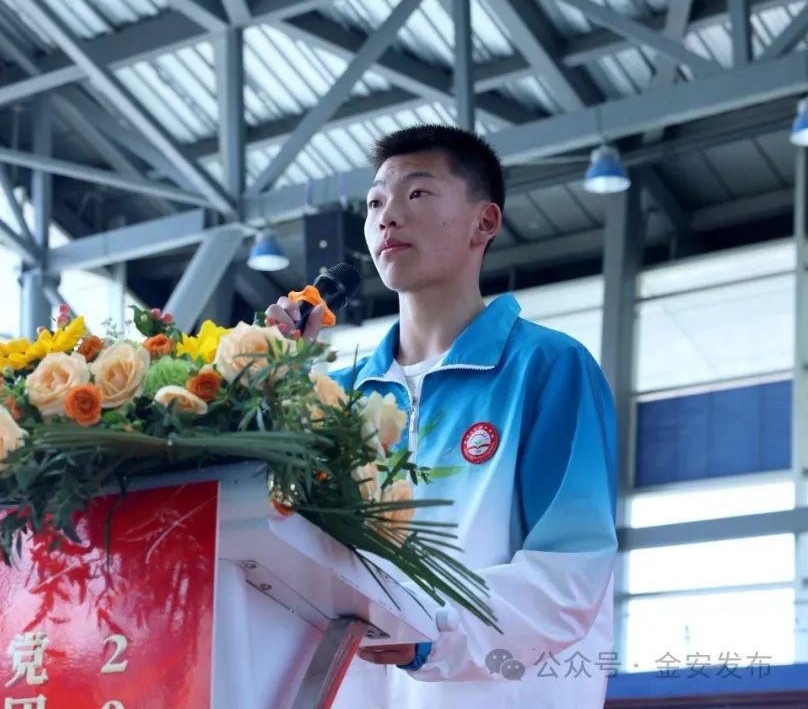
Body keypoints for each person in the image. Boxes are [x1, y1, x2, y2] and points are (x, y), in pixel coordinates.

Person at [265, 124, 619, 708]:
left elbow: (568, 576)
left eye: (417, 193)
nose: (388, 216)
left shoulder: (547, 369)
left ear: (485, 222)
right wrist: (276, 382)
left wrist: (430, 631)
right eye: (375, 203)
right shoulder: (336, 397)